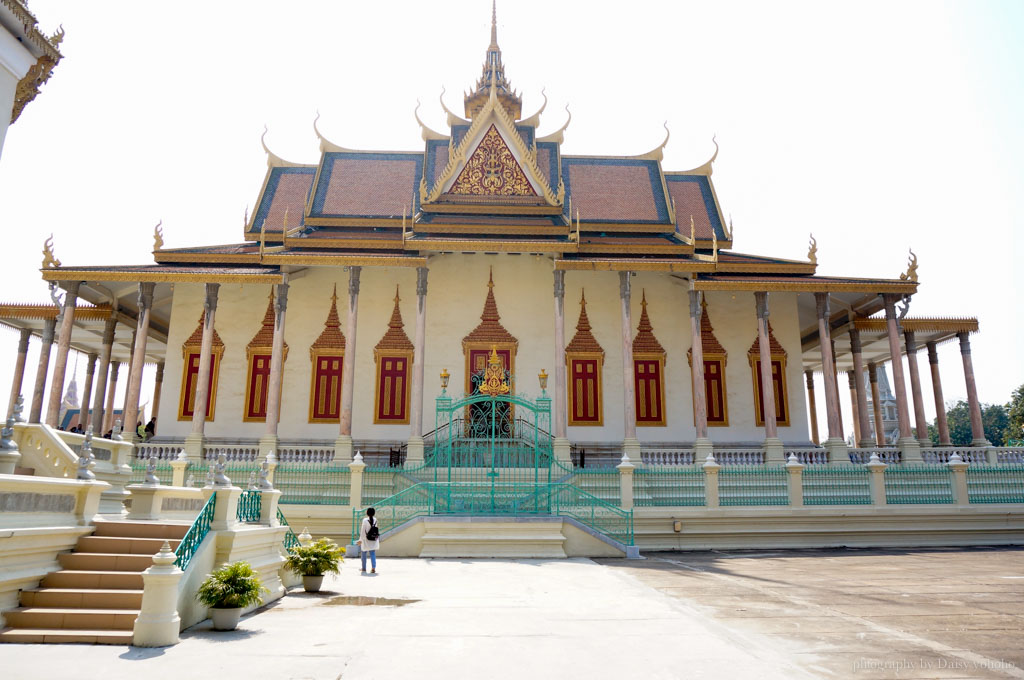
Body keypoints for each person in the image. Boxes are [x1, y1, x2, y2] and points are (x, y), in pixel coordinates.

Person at [358, 507, 379, 574]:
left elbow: (362, 531)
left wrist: (360, 539)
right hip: (373, 539)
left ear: (367, 512)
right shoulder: (375, 520)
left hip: (366, 539)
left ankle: (364, 568)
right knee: (372, 553)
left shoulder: (365, 520)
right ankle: (373, 568)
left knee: (363, 554)